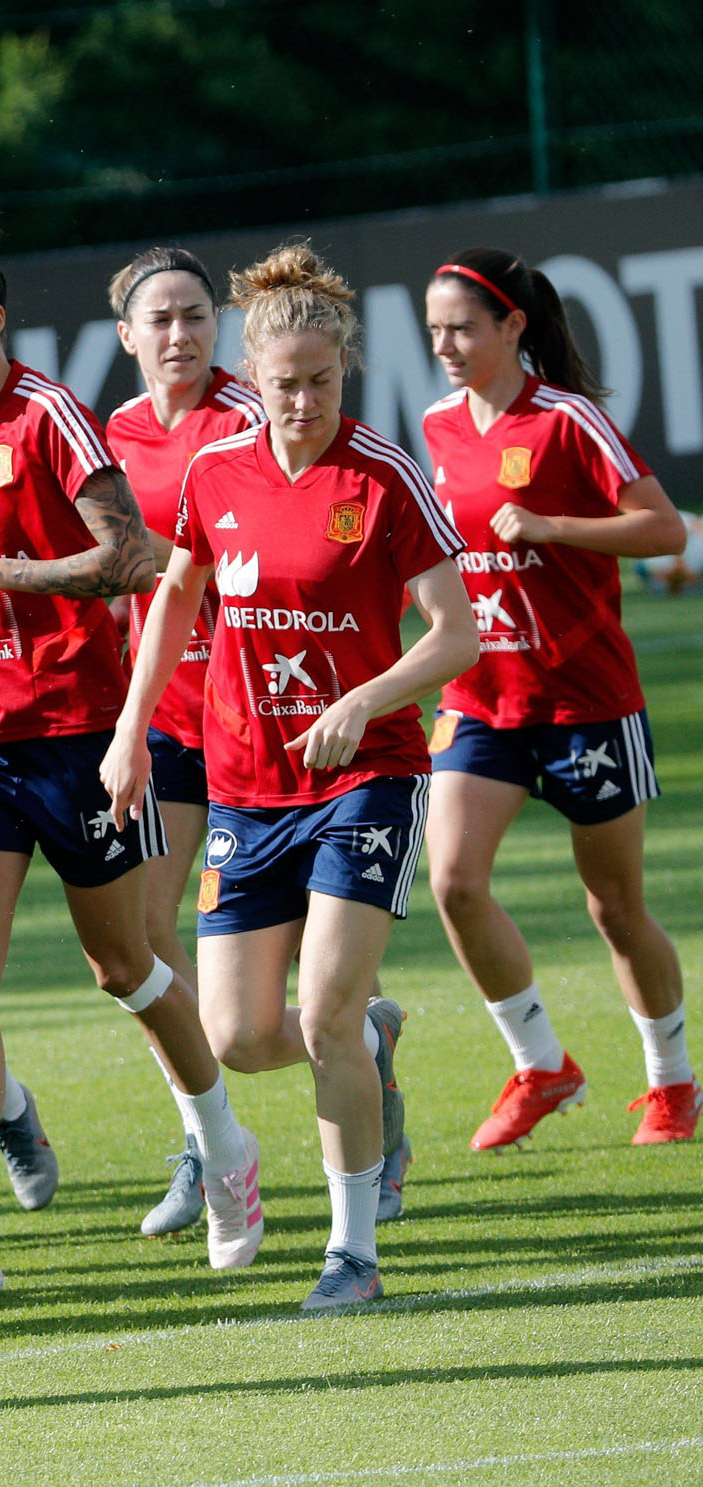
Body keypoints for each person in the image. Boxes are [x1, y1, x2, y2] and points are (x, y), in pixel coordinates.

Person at [0, 210, 259, 1297]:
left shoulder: (51, 415)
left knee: (125, 964)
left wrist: (5, 577)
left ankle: (225, 1146)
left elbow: (131, 560)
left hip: (77, 734)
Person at [103, 243, 477, 1308]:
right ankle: (374, 1037)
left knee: (315, 1018)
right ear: (254, 382)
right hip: (243, 783)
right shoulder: (218, 472)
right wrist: (132, 729)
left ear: (345, 372)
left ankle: (351, 1254)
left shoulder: (384, 477)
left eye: (320, 382)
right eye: (284, 385)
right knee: (239, 1034)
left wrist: (364, 700)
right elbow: (176, 598)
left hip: (369, 779)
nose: (302, 401)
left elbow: (458, 636)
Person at [420, 248, 695, 1149]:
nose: (447, 345)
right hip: (481, 696)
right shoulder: (434, 426)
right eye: (435, 331)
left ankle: (673, 1085)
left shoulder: (569, 420)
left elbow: (663, 527)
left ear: (512, 327)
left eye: (463, 327)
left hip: (586, 702)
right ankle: (541, 1066)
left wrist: (550, 526)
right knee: (455, 882)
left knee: (613, 908)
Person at [101, 249, 272, 1236]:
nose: (181, 334)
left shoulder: (254, 418)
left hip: (262, 714)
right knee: (143, 933)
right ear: (127, 336)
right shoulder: (112, 437)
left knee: (296, 935)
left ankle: (366, 1064)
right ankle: (209, 1141)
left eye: (196, 314)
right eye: (159, 319)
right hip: (166, 715)